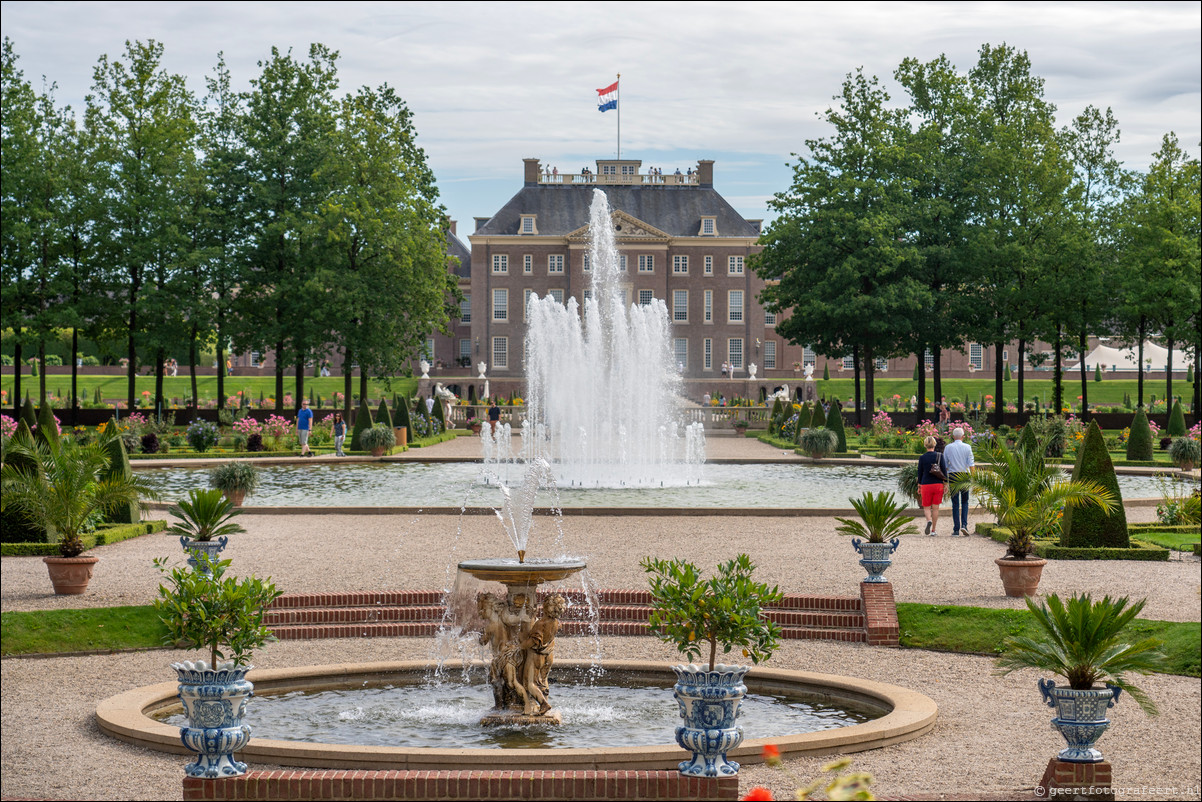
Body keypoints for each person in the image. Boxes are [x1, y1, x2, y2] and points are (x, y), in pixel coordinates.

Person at [943, 426, 975, 537]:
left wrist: (945, 481)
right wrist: (974, 479)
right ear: (963, 437)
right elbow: (971, 464)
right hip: (964, 475)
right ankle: (964, 526)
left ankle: (956, 529)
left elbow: (945, 465)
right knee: (965, 502)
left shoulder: (948, 447)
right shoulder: (968, 447)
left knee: (955, 503)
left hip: (952, 475)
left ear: (953, 436)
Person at [917, 435, 948, 536]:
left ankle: (928, 520)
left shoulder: (922, 457)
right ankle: (933, 530)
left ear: (925, 445)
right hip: (938, 484)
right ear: (934, 444)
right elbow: (944, 470)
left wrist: (919, 486)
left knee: (926, 507)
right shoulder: (939, 456)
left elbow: (919, 472)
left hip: (926, 485)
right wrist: (946, 484)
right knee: (935, 508)